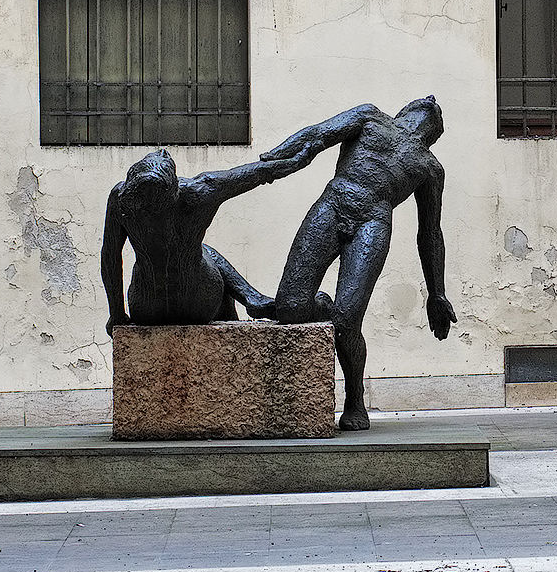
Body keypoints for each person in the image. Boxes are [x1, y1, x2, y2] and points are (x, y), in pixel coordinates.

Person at [253, 97, 454, 430]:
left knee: (346, 321)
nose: (432, 103)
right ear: (403, 112)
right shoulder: (370, 117)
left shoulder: (430, 168)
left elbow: (430, 233)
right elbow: (318, 135)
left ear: (433, 135)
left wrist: (437, 293)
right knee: (290, 308)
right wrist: (275, 158)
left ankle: (354, 398)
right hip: (333, 204)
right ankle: (322, 307)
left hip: (373, 222)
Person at [99, 146, 321, 330]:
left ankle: (253, 299)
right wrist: (301, 156)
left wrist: (116, 314)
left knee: (189, 252)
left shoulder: (120, 198)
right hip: (199, 304)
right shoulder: (200, 190)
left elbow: (110, 258)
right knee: (203, 251)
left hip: (147, 308)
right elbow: (260, 173)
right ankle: (252, 298)